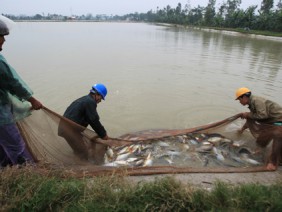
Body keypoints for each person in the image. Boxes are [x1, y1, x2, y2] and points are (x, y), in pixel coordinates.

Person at [0, 16, 43, 167]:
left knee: (2, 148)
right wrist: (32, 100)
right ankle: (30, 176)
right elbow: (13, 82)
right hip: (1, 117)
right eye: (2, 37)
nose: (4, 41)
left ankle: (6, 174)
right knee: (16, 146)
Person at [58, 83, 109, 162]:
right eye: (101, 98)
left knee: (80, 148)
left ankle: (76, 160)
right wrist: (103, 134)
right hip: (68, 130)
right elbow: (94, 120)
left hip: (66, 128)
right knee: (83, 152)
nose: (100, 101)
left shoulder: (85, 99)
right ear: (97, 94)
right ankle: (82, 167)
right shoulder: (90, 102)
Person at [235, 87, 282, 171]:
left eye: (239, 100)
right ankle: (260, 151)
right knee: (261, 139)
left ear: (244, 97)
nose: (239, 102)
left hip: (279, 121)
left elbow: (262, 116)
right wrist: (242, 129)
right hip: (272, 122)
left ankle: (273, 164)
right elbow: (252, 118)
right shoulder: (252, 103)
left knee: (277, 135)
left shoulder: (257, 101)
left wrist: (248, 115)